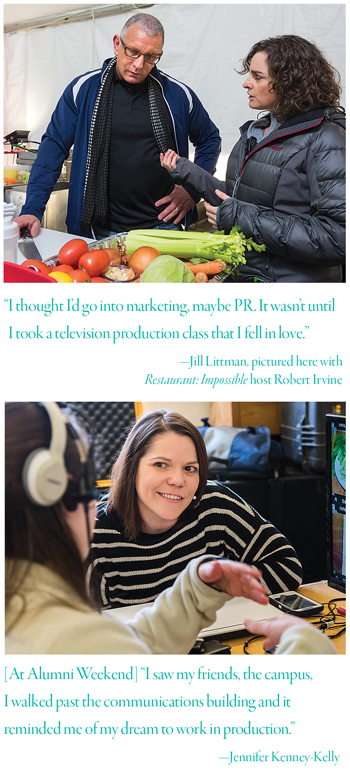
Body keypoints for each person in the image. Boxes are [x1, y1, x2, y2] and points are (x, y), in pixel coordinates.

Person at [5, 401, 270, 655]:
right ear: (49, 489)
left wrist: (197, 592)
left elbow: (125, 649)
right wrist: (301, 643)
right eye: (84, 483)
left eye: (190, 468)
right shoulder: (71, 635)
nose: (177, 480)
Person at [14, 13, 221, 239]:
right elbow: (52, 149)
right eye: (132, 51)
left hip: (163, 227)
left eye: (150, 56)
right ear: (116, 44)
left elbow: (210, 139)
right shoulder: (83, 90)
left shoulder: (178, 95)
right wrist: (33, 208)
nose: (139, 64)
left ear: (159, 55)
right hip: (96, 229)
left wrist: (191, 191)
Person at [160, 35, 345, 283]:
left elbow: (337, 239)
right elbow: (236, 200)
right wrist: (186, 170)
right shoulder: (255, 132)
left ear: (289, 82)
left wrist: (239, 217)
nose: (246, 84)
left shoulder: (326, 139)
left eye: (258, 77)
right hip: (246, 276)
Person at [87, 409, 303, 609]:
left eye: (190, 469)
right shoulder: (93, 535)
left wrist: (218, 595)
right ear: (132, 467)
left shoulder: (215, 503)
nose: (178, 480)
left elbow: (286, 566)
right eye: (161, 464)